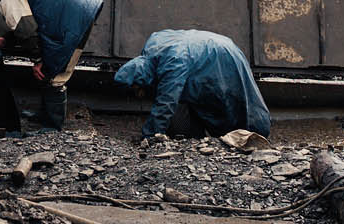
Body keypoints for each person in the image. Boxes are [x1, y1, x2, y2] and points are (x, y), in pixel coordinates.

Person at [0, 0, 103, 132]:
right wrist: (5, 39)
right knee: (48, 70)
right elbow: (25, 21)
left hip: (74, 21)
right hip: (75, 14)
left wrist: (39, 60)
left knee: (55, 74)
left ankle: (52, 128)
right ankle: (45, 115)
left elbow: (26, 30)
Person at [113, 29, 272, 140]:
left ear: (140, 79)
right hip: (213, 47)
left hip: (221, 57)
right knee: (198, 97)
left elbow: (166, 102)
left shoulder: (172, 63)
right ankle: (199, 137)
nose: (138, 94)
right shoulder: (153, 46)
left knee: (231, 101)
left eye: (136, 89)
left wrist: (149, 135)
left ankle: (255, 133)